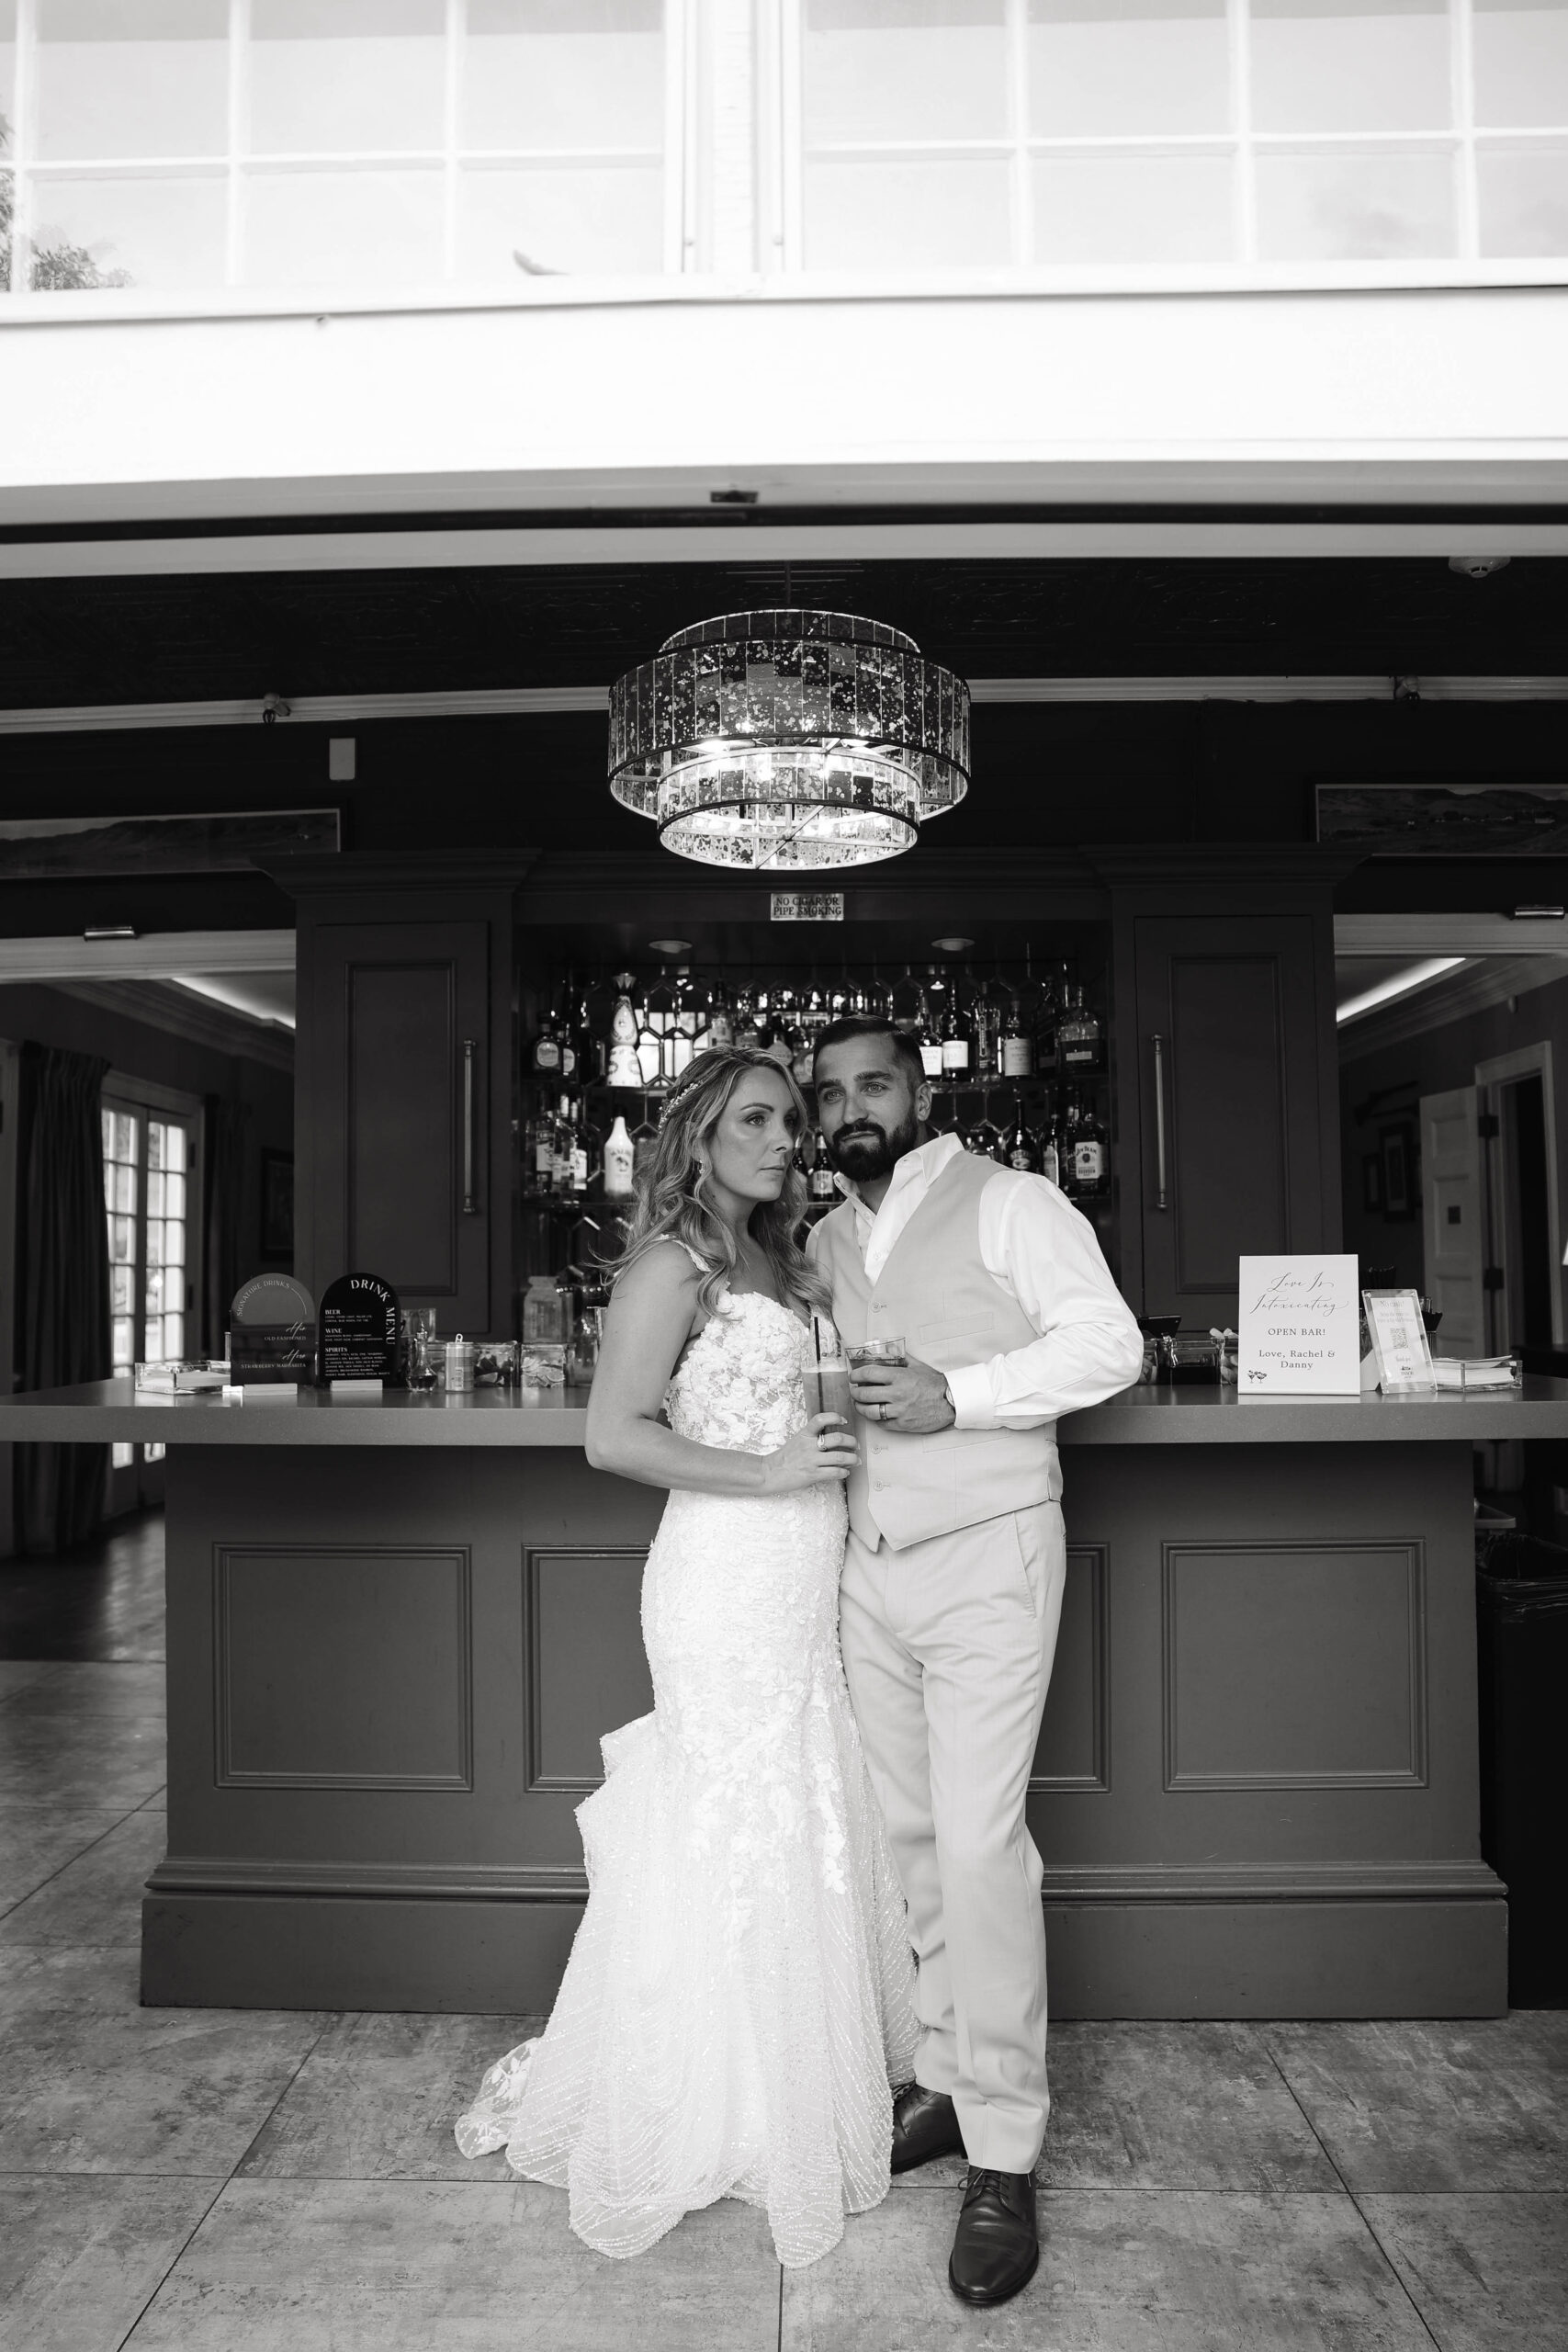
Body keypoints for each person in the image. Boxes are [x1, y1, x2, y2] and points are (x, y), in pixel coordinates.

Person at [454, 1046, 917, 2268]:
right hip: (722, 1570)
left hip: (804, 1570)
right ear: (699, 1138)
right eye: (754, 1121)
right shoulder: (675, 1261)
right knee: (732, 1809)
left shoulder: (784, 1249)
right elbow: (612, 1436)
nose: (785, 1139)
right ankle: (700, 2098)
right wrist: (769, 1471)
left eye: (789, 1119)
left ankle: (782, 2079)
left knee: (800, 1803)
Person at [808, 1015, 1144, 2310]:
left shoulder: (1016, 1201)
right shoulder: (829, 1234)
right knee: (909, 1840)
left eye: (873, 1083)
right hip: (868, 1561)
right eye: (831, 1091)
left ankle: (1007, 2149)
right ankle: (946, 2079)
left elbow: (1105, 1344)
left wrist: (963, 1395)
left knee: (978, 1842)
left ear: (918, 1091)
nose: (851, 1106)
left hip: (991, 1552)